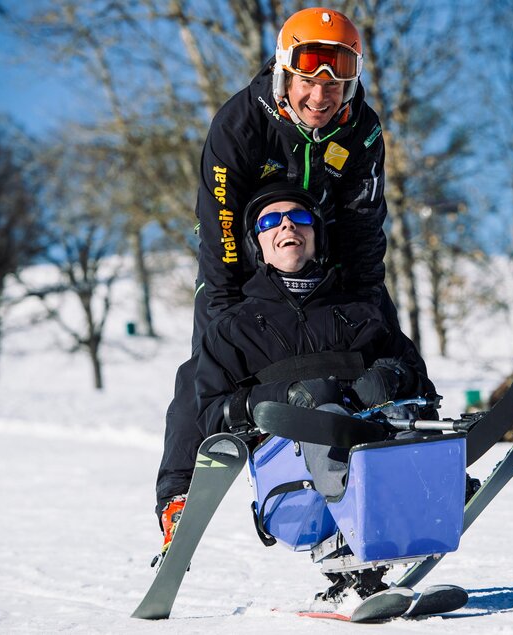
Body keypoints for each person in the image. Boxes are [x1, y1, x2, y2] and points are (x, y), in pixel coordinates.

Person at [160, 5, 396, 518]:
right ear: (286, 73)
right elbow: (220, 224)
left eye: (334, 85)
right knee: (204, 368)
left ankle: (410, 437)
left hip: (321, 248)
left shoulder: (362, 130)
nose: (320, 96)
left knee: (382, 333)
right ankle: (178, 495)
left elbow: (363, 225)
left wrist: (365, 303)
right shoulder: (241, 124)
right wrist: (224, 309)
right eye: (309, 81)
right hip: (242, 256)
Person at [155, 180, 437, 563]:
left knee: (392, 411)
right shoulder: (233, 328)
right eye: (271, 220)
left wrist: (391, 377)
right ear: (257, 242)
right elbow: (205, 412)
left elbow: (419, 380)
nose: (288, 225)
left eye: (300, 217)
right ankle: (364, 540)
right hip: (289, 486)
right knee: (325, 417)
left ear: (316, 236)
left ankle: (430, 499)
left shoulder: (360, 312)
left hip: (374, 455)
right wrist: (282, 397)